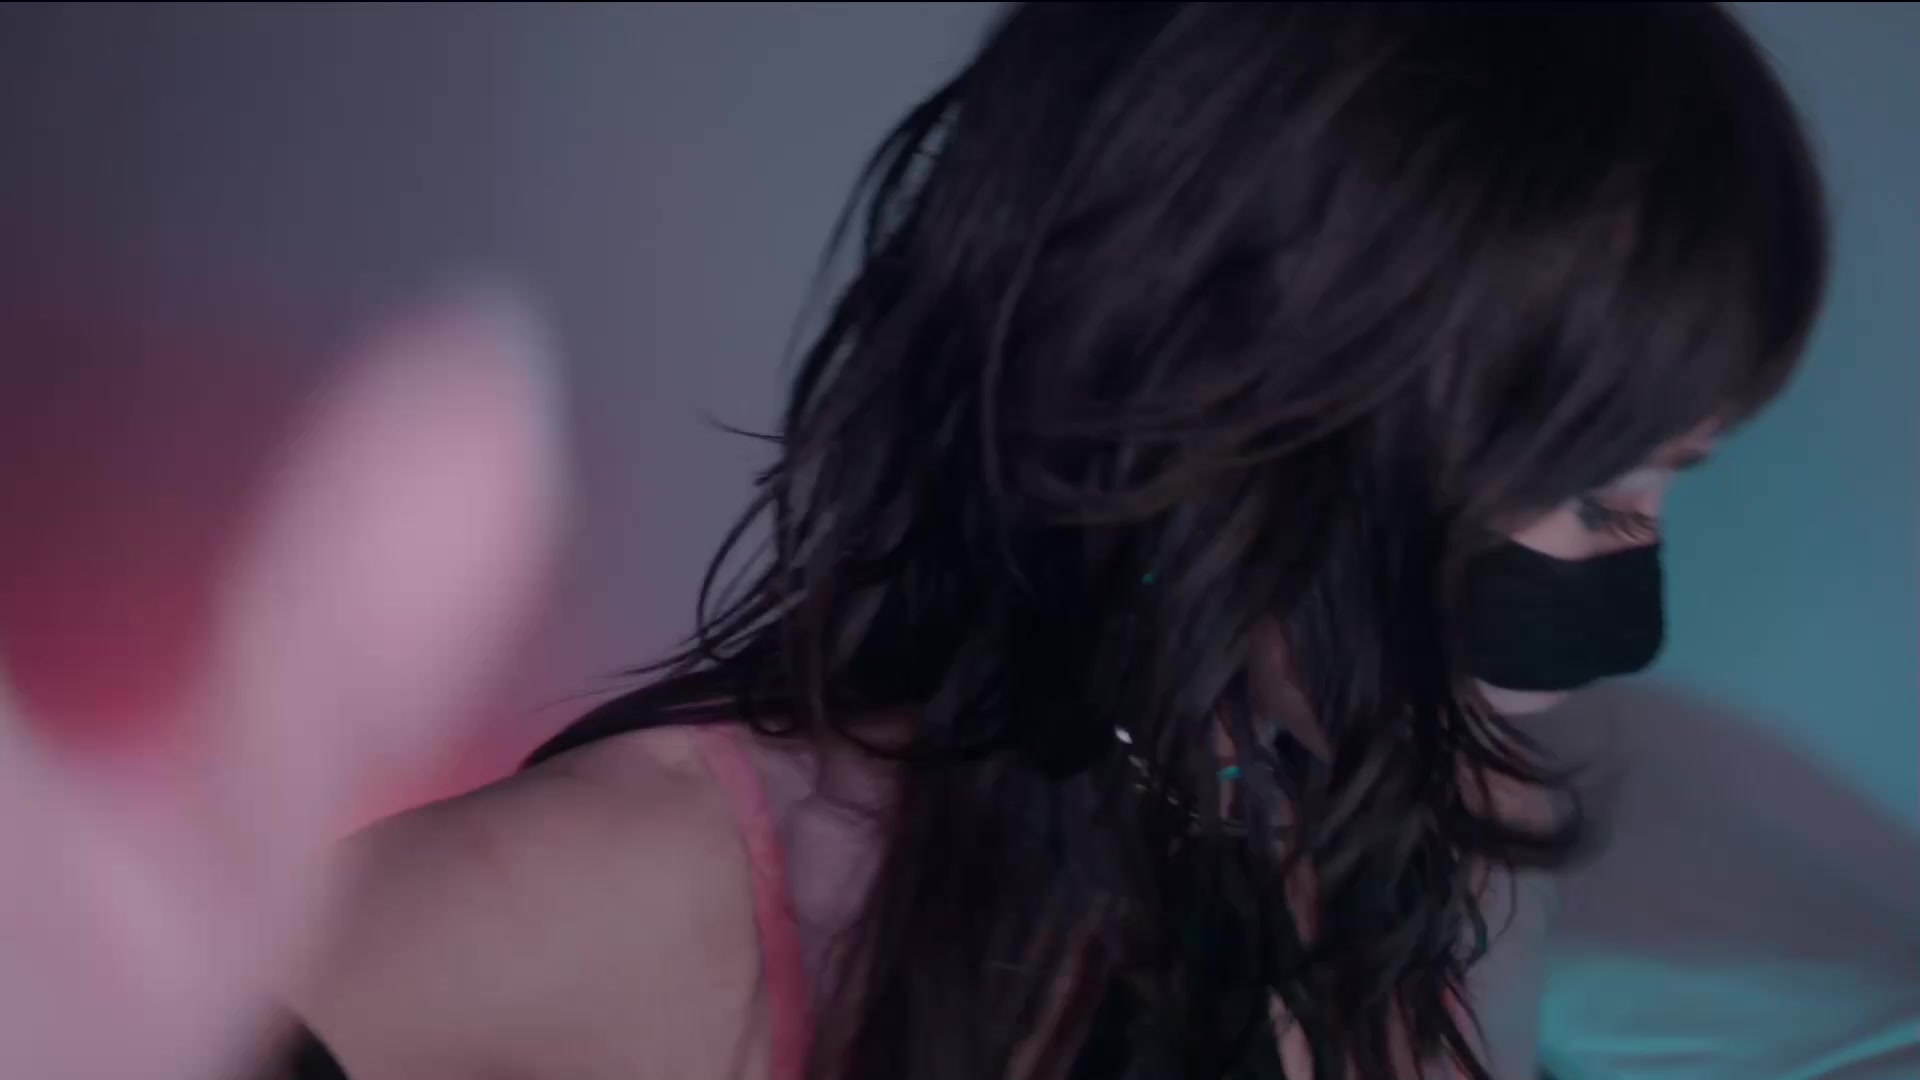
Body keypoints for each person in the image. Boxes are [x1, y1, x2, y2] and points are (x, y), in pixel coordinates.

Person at [0, 5, 1826, 1080]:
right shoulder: (689, 886)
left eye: (1675, 484)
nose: (1634, 594)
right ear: (1268, 414)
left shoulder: (1399, 860)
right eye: (1604, 492)